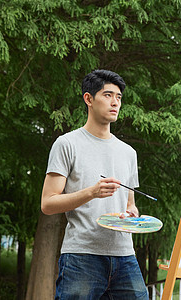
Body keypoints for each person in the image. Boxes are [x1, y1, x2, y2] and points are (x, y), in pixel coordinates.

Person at [41, 69, 149, 299]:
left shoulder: (129, 153)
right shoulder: (66, 144)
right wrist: (92, 192)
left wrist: (131, 214)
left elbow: (131, 205)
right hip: (81, 256)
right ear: (88, 99)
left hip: (124, 255)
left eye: (119, 97)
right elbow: (48, 204)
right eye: (108, 95)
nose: (115, 102)